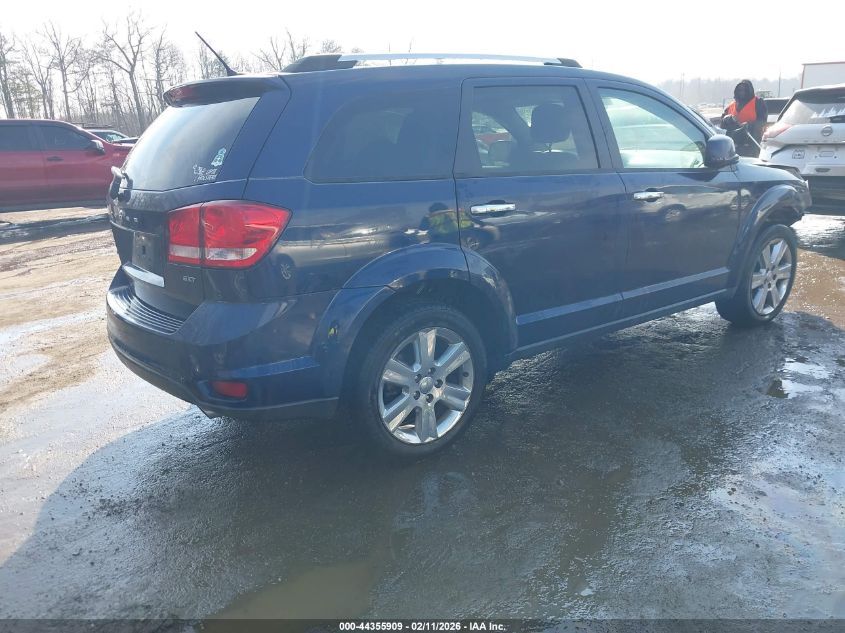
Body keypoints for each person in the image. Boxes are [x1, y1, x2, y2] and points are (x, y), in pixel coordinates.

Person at [721, 79, 768, 157]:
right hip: (733, 146)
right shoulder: (731, 106)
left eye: (745, 90)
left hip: (752, 144)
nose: (742, 92)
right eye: (740, 90)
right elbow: (722, 125)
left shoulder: (758, 102)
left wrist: (749, 125)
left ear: (750, 90)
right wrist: (727, 119)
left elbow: (762, 121)